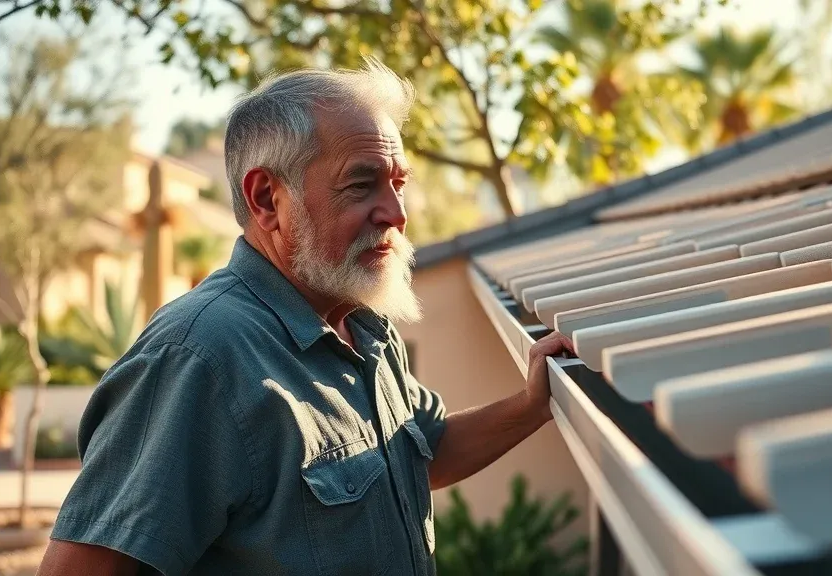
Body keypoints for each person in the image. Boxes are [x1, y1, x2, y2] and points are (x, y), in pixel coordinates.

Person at [36, 57, 574, 576]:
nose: (397, 212)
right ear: (268, 198)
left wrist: (533, 403)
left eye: (398, 183)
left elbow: (426, 452)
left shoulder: (362, 326)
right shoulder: (198, 357)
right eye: (361, 184)